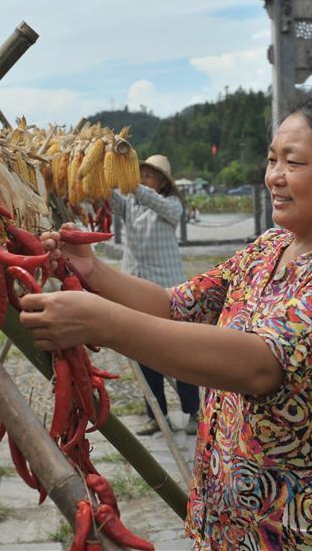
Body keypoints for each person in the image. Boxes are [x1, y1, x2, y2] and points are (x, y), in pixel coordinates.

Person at [21, 94, 312, 549]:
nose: (275, 177)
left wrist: (103, 324)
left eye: (294, 162)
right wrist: (93, 271)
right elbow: (175, 306)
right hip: (227, 521)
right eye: (271, 160)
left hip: (305, 530)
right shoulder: (270, 247)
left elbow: (260, 364)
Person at [109, 153, 200, 435]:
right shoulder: (130, 204)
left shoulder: (171, 205)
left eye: (149, 176)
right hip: (136, 288)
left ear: (162, 183)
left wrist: (133, 187)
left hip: (168, 290)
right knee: (145, 355)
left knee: (180, 354)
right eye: (141, 175)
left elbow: (159, 205)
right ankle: (157, 416)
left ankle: (193, 414)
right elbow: (108, 198)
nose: (143, 180)